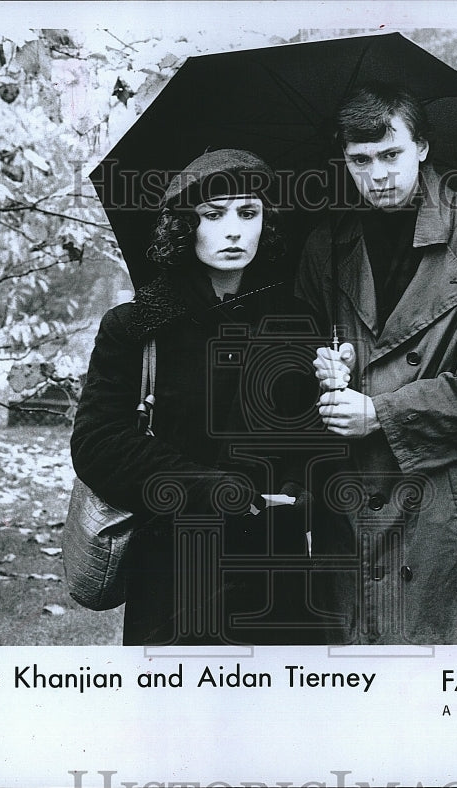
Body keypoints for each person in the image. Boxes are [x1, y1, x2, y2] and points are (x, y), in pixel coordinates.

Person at [295, 82, 457, 644]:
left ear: (423, 147)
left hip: (442, 507)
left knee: (437, 697)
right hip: (350, 508)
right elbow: (299, 353)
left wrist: (382, 413)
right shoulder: (324, 246)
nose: (377, 175)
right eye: (360, 161)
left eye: (391, 155)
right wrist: (320, 371)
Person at [71, 149, 332, 646]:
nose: (233, 230)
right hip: (174, 570)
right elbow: (98, 445)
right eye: (213, 215)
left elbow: (315, 440)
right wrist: (214, 489)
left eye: (248, 213)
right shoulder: (137, 326)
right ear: (182, 227)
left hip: (278, 574)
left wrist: (304, 493)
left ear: (265, 223)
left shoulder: (298, 323)